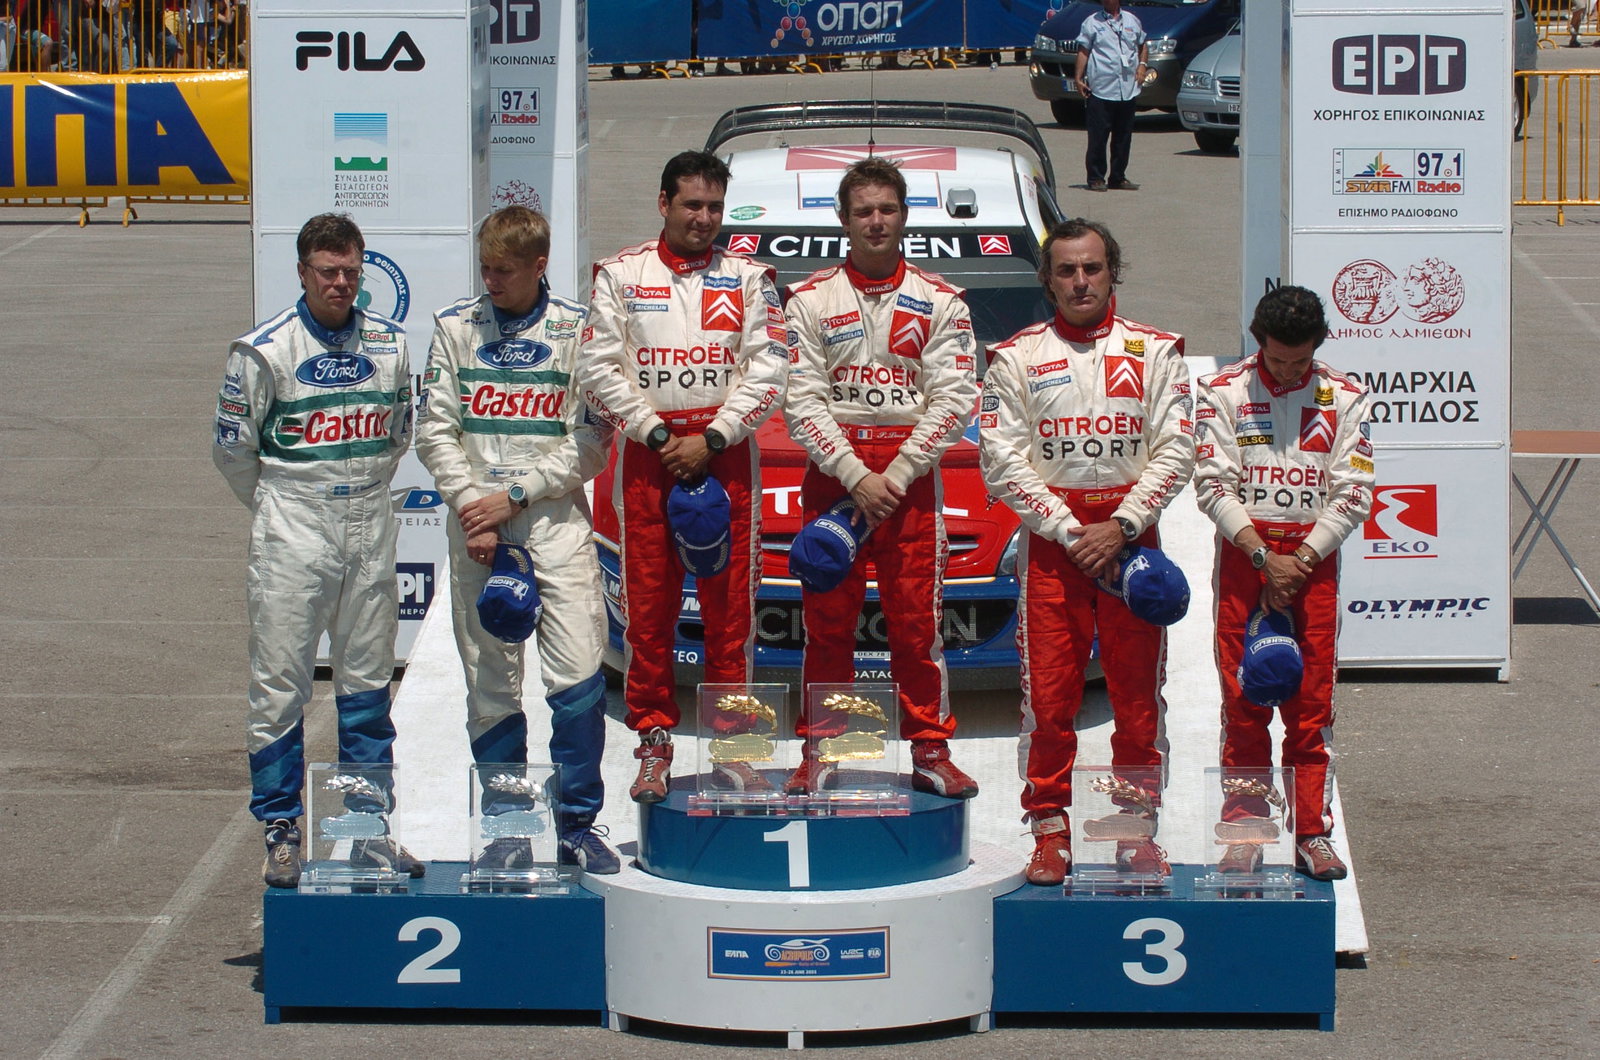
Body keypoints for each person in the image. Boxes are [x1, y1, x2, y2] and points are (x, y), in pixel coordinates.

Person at [979, 218, 1194, 885]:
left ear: (1111, 273)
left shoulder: (1156, 351)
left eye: (1092, 268)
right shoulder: (1015, 356)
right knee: (1050, 700)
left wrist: (1122, 525)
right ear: (1047, 279)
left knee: (1137, 700)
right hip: (1056, 547)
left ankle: (1135, 830)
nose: (1080, 281)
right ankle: (1049, 830)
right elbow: (1000, 459)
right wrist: (1071, 530)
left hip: (1131, 544)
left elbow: (1178, 448)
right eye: (1066, 270)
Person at [213, 213, 423, 888]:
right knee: (280, 685)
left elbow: (401, 432)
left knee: (367, 683)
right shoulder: (263, 350)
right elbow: (232, 452)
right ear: (303, 272)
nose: (340, 284)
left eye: (351, 272)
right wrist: (283, 507)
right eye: (328, 272)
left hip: (370, 516)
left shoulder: (390, 343)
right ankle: (281, 829)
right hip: (294, 521)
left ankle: (367, 830)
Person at [579, 150, 789, 803]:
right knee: (648, 614)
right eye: (692, 204)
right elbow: (597, 368)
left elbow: (771, 369)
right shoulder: (620, 274)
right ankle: (653, 743)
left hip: (725, 454)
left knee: (731, 616)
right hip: (650, 457)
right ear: (663, 203)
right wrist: (660, 435)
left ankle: (735, 749)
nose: (704, 218)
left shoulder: (750, 278)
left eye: (715, 207)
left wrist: (714, 437)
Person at [415, 206, 619, 875]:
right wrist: (474, 508)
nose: (491, 281)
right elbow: (434, 430)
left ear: (540, 265)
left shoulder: (579, 330)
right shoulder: (455, 327)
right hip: (478, 524)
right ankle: (505, 827)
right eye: (485, 268)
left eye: (504, 270)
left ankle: (577, 824)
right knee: (491, 684)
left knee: (579, 676)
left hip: (553, 523)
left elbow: (593, 440)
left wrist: (519, 495)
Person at [781, 156, 980, 799]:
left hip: (908, 483)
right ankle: (823, 750)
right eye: (863, 210)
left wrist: (892, 474)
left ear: (904, 216)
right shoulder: (809, 299)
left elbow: (955, 399)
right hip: (833, 478)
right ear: (843, 220)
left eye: (887, 209)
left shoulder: (942, 300)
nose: (876, 221)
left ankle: (930, 749)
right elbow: (800, 401)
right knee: (827, 625)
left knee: (917, 627)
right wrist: (853, 474)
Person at [1194, 285, 1374, 881]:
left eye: (1301, 360)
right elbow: (1211, 484)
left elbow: (1354, 491)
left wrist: (1300, 558)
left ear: (1318, 345)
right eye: (1277, 359)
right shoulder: (1222, 390)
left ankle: (1312, 833)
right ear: (1258, 342)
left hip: (1313, 562)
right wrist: (1262, 556)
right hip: (1245, 558)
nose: (1289, 371)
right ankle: (1244, 829)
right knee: (1244, 701)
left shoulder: (1346, 396)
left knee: (1311, 705)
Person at [1074, 0, 1148, 192]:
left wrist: (1142, 66)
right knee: (1098, 137)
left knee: (1123, 137)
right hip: (1102, 88)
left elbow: (1142, 46)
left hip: (1127, 89)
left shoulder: (1132, 21)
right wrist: (1078, 77)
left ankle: (1118, 177)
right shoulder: (1092, 22)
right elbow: (1083, 51)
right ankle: (1095, 178)